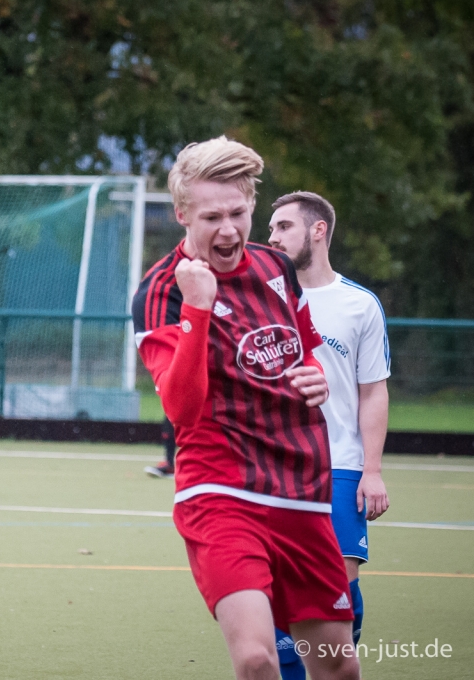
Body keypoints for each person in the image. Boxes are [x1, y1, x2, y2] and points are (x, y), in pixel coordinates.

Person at [132, 137, 360, 680]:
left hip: (301, 492)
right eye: (212, 217)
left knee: (339, 666)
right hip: (221, 492)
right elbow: (181, 408)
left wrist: (315, 374)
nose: (229, 230)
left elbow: (305, 347)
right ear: (182, 214)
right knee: (257, 658)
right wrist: (198, 308)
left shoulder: (277, 266)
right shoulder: (160, 291)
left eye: (238, 213)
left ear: (253, 206)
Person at [267, 191, 391, 680]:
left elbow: (372, 391)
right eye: (271, 228)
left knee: (339, 587)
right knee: (281, 593)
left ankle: (336, 664)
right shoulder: (262, 297)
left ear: (318, 231)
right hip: (274, 467)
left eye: (283, 227)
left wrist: (372, 470)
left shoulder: (360, 304)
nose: (272, 237)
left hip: (338, 465)